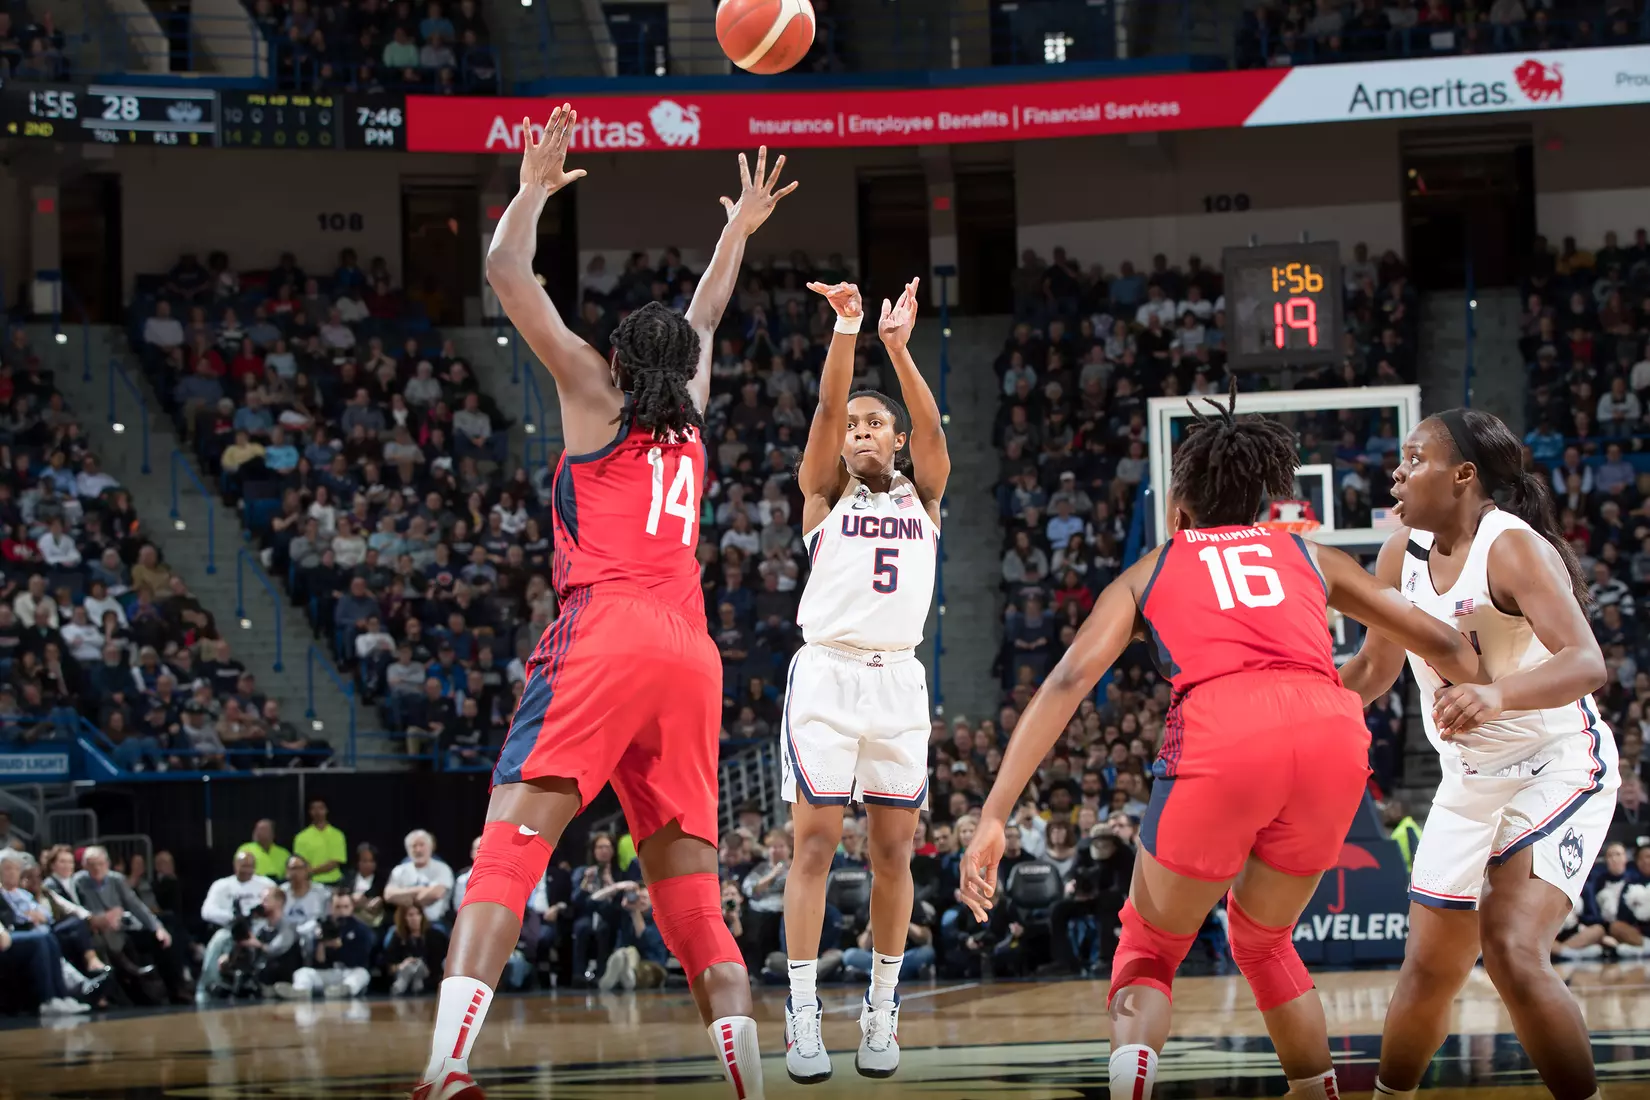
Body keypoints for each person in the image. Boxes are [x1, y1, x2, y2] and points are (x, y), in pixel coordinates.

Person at [412, 107, 793, 1100]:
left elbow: (507, 274)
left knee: (510, 844)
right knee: (692, 897)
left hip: (607, 632)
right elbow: (704, 319)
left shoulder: (597, 395)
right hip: (689, 655)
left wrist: (533, 186)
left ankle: (448, 1062)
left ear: (621, 361)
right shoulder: (692, 413)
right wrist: (736, 234)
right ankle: (749, 1081)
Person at [958, 385, 1481, 1100]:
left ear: (1179, 507)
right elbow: (1443, 641)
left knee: (1148, 952)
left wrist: (994, 813)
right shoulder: (1310, 556)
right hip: (1330, 729)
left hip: (1223, 729)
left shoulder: (1151, 569)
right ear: (1266, 501)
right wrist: (1480, 689)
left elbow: (1066, 682)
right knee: (1264, 942)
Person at [1336, 408, 1620, 1100]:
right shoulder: (1397, 554)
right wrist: (1296, 702)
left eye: (1413, 460)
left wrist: (1496, 696)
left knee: (1513, 949)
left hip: (1556, 761)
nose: (1396, 474)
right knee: (1429, 970)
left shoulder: (1511, 546)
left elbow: (1587, 662)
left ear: (1462, 474)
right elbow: (1375, 669)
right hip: (1468, 779)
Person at [780, 277, 947, 1083]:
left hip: (898, 684)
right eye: (854, 427)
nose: (862, 432)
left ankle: (882, 1012)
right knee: (812, 846)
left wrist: (899, 348)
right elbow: (822, 415)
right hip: (828, 677)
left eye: (876, 423)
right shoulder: (821, 496)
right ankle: (803, 1013)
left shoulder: (929, 495)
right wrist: (847, 332)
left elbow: (935, 425)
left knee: (892, 853)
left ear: (897, 437)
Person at [293, 797, 348, 887]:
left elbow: (335, 861)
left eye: (321, 808)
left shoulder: (337, 835)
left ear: (326, 810)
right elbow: (300, 862)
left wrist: (311, 871)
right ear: (310, 812)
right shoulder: (301, 837)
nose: (317, 812)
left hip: (334, 882)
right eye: (314, 809)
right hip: (311, 883)